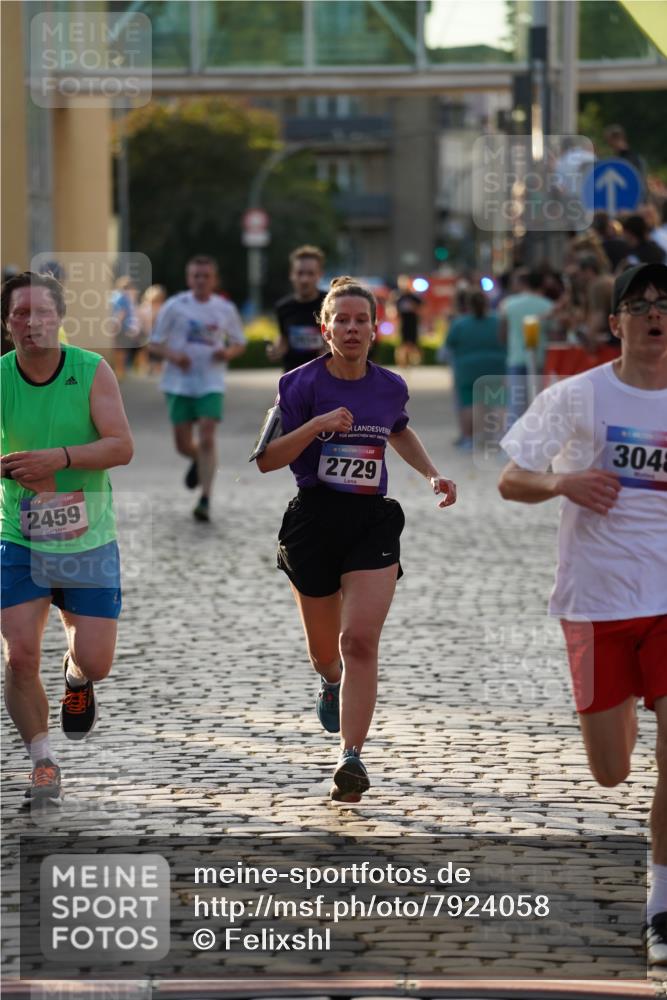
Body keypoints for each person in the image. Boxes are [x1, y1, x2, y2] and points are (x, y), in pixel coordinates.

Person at [498, 262, 667, 966]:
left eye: (665, 303)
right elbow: (512, 479)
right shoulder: (577, 396)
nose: (654, 314)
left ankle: (660, 903)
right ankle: (624, 706)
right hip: (595, 602)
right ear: (615, 322)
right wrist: (562, 480)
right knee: (609, 771)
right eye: (640, 304)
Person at [255, 276, 457, 802]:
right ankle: (328, 680)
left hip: (371, 520)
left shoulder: (389, 386)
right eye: (340, 320)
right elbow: (266, 461)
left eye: (360, 320)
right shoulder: (298, 385)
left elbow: (399, 428)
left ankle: (352, 757)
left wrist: (431, 473)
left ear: (375, 328)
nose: (351, 328)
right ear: (325, 329)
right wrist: (317, 424)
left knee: (359, 640)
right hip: (313, 521)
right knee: (327, 652)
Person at [1, 271, 134, 805]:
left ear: (60, 318)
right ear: (6, 323)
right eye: (19, 314)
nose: (31, 323)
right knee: (18, 656)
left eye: (41, 313)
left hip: (86, 539)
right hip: (19, 537)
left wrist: (59, 458)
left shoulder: (91, 370)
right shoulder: (1, 378)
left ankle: (77, 677)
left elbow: (120, 447)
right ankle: (42, 763)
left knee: (98, 660)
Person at [149, 256, 246, 522]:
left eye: (206, 276)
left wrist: (226, 353)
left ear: (214, 279)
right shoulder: (175, 306)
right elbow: (154, 344)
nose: (201, 280)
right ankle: (198, 461)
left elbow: (240, 342)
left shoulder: (224, 309)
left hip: (210, 382)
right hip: (178, 382)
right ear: (188, 278)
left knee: (206, 436)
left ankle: (205, 498)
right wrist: (173, 355)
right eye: (196, 276)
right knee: (183, 443)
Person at [444, 290, 505, 451]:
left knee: (467, 404)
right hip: (496, 366)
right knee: (496, 402)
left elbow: (449, 344)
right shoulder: (498, 321)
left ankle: (469, 440)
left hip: (467, 368)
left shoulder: (459, 323)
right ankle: (497, 438)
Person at [498, 269, 552, 425]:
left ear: (523, 284)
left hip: (516, 359)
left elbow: (502, 334)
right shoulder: (548, 305)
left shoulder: (508, 304)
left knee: (515, 405)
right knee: (541, 405)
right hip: (541, 360)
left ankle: (513, 445)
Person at [271, 246, 327, 373]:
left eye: (310, 273)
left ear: (320, 275)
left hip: (325, 377)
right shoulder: (282, 307)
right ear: (291, 274)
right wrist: (275, 350)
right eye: (300, 273)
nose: (304, 279)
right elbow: (283, 339)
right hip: (292, 378)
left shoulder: (332, 304)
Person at [110, 275, 141, 380]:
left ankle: (119, 371)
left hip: (118, 326)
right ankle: (120, 372)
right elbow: (121, 313)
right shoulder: (123, 297)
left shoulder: (114, 296)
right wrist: (116, 326)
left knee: (118, 349)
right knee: (121, 350)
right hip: (121, 327)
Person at [393, 276, 423, 367]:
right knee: (403, 344)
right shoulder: (399, 298)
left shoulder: (413, 297)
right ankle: (403, 362)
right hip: (404, 323)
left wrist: (416, 310)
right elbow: (395, 311)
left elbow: (422, 307)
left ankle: (417, 361)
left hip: (413, 322)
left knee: (414, 343)